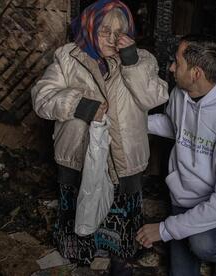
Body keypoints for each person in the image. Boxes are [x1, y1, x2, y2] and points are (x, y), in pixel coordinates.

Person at [31, 0, 168, 274]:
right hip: (77, 155)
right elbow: (42, 98)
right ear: (89, 28)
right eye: (105, 31)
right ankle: (81, 256)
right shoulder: (67, 57)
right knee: (79, 211)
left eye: (120, 31)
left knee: (121, 212)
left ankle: (119, 256)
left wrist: (131, 61)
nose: (113, 39)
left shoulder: (143, 59)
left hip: (125, 156)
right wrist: (82, 106)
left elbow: (154, 97)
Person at [136, 34, 216, 276]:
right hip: (181, 196)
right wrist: (134, 123)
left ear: (196, 73)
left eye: (177, 63)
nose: (171, 68)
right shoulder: (181, 94)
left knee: (202, 245)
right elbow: (175, 127)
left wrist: (164, 229)